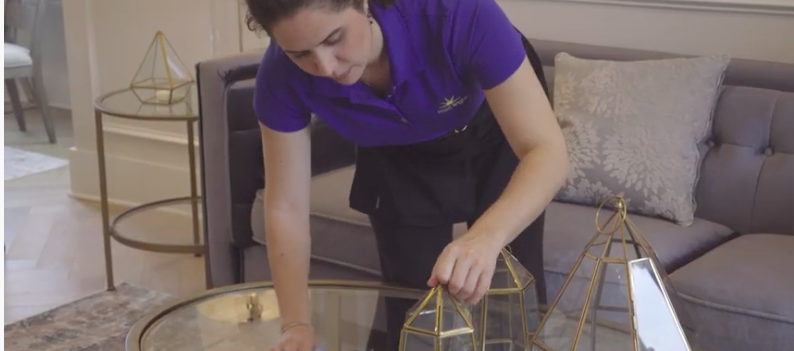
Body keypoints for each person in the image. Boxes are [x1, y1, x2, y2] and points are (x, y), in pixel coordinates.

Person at [245, 0, 570, 350]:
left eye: (334, 38)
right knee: (413, 309)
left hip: (495, 126)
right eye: (300, 53)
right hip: (395, 148)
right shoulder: (280, 76)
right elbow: (286, 207)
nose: (325, 67)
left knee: (510, 303)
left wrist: (485, 237)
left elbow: (547, 153)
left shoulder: (457, 12)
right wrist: (295, 324)